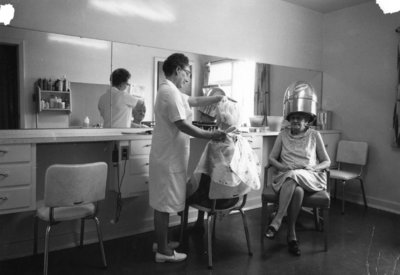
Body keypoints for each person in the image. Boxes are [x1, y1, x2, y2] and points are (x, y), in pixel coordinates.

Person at [149, 53, 227, 263]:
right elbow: (182, 124)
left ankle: (162, 243)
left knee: (163, 202)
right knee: (164, 204)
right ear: (178, 70)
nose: (188, 78)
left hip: (168, 157)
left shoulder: (170, 90)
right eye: (187, 72)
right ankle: (163, 252)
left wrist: (217, 98)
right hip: (168, 159)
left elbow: (192, 100)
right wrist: (211, 135)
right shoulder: (169, 93)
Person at [186, 98, 261, 231]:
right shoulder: (242, 141)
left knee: (193, 185)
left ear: (220, 117)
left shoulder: (216, 144)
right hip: (236, 197)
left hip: (217, 200)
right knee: (210, 178)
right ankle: (199, 223)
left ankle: (185, 235)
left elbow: (204, 172)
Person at [265, 111, 331, 256]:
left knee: (294, 175)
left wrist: (314, 167)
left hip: (310, 176)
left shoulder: (314, 135)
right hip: (286, 175)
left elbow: (327, 161)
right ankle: (291, 234)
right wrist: (283, 167)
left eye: (299, 118)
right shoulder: (283, 134)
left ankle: (278, 218)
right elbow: (271, 158)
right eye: (293, 118)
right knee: (297, 190)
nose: (295, 120)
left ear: (306, 121)